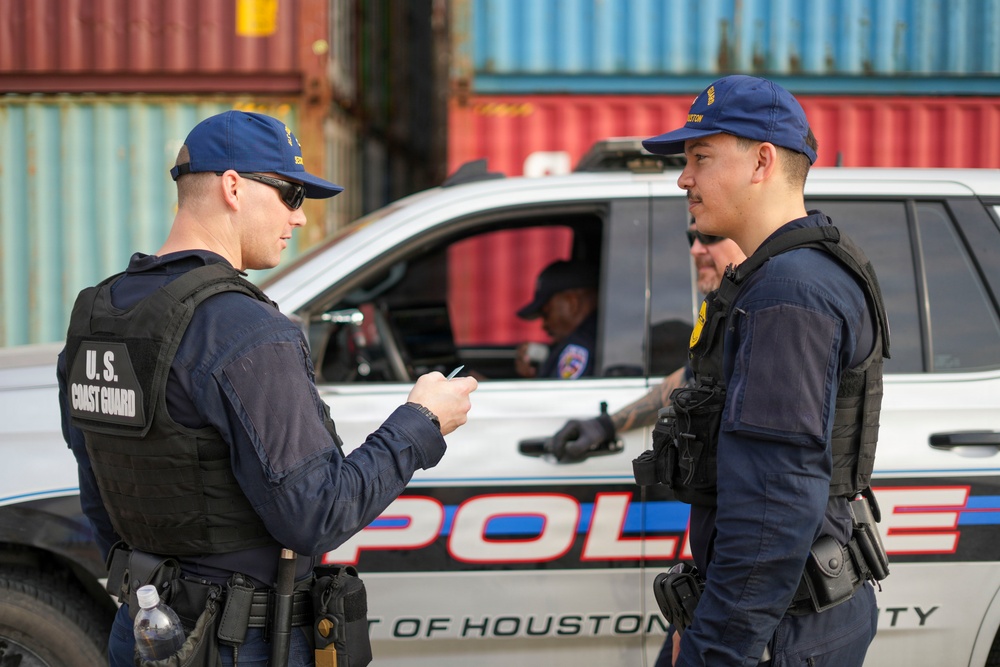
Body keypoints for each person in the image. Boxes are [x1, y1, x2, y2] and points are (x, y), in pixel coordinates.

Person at [57, 110, 477, 667]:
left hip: (143, 630)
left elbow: (99, 492)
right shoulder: (244, 328)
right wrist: (420, 424)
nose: (299, 218)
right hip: (237, 642)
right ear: (233, 187)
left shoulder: (98, 314)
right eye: (291, 195)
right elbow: (316, 516)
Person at [636, 75, 890, 666]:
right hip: (781, 620)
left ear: (762, 161)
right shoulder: (801, 270)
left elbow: (774, 505)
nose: (684, 177)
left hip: (772, 634)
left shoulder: (787, 292)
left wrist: (716, 649)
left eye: (700, 157)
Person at [546, 223, 746, 463]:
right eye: (691, 237)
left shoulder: (771, 307)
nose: (695, 249)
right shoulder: (725, 314)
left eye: (709, 235)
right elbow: (690, 379)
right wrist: (605, 425)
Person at [514, 259, 599, 379]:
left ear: (572, 303)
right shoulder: (600, 336)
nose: (544, 325)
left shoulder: (578, 347)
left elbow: (560, 397)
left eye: (546, 314)